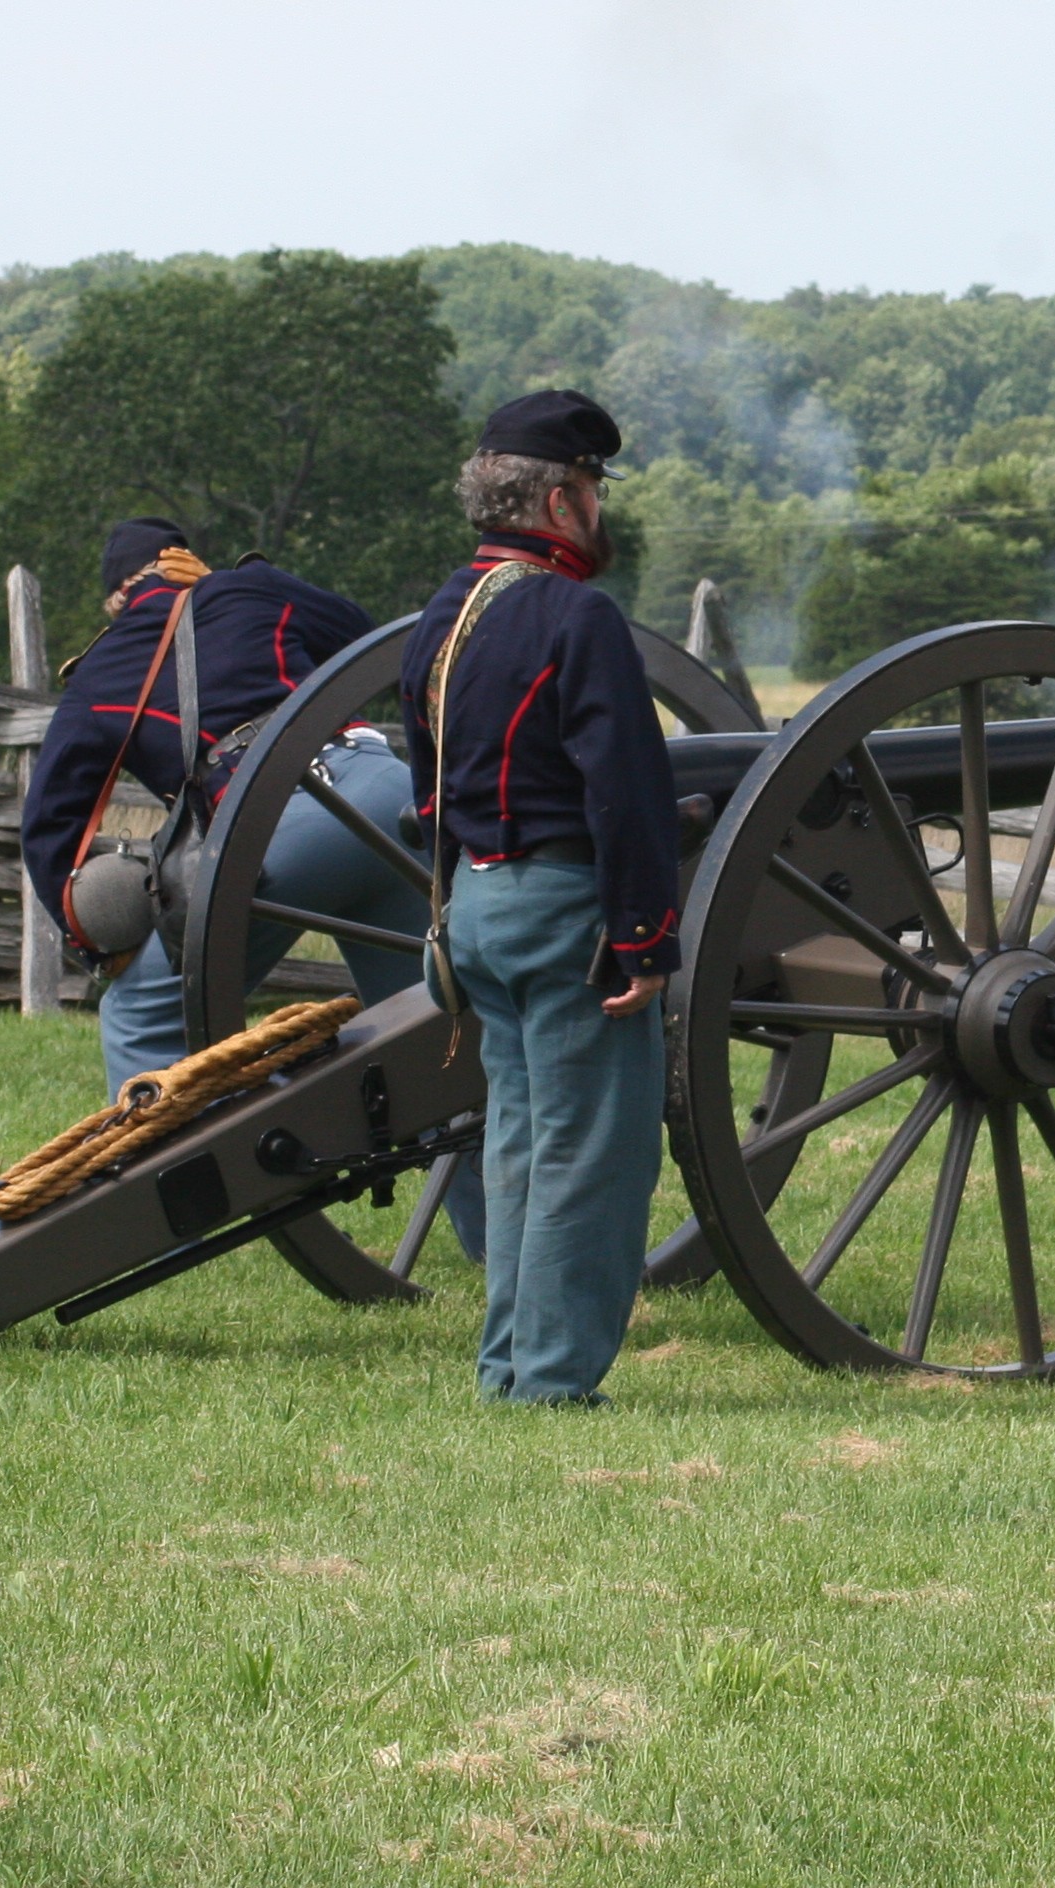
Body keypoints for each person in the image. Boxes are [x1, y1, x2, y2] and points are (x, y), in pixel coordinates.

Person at [19, 519, 478, 1260]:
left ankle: (156, 1219)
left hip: (278, 827)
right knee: (438, 1035)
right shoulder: (254, 590)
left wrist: (90, 945)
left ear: (115, 599)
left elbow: (50, 829)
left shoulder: (100, 676)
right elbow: (368, 644)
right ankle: (496, 1238)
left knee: (141, 1011)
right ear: (185, 564)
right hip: (387, 799)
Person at [399, 391, 685, 1408]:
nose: (600, 507)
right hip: (567, 908)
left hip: (478, 906)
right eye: (595, 488)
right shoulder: (574, 613)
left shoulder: (446, 612)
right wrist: (646, 934)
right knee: (591, 1159)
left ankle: (510, 1365)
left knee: (521, 1149)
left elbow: (423, 774)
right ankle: (552, 1383)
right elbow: (625, 786)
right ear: (562, 499)